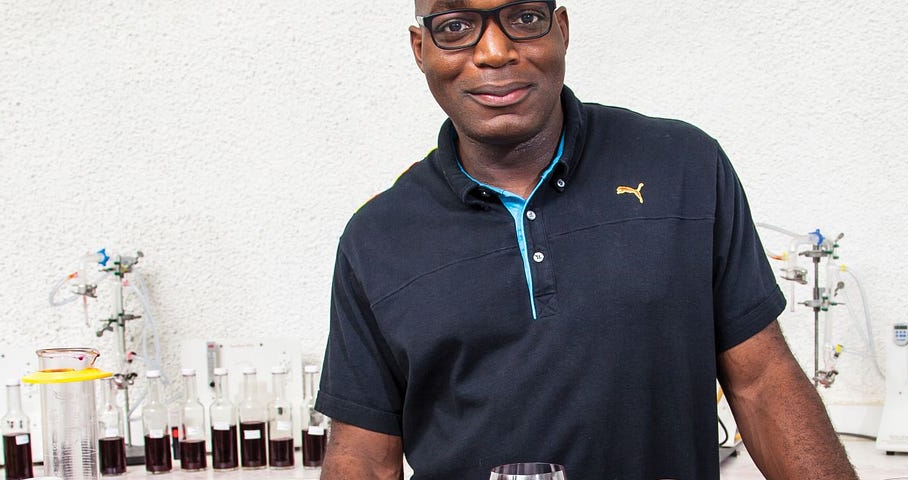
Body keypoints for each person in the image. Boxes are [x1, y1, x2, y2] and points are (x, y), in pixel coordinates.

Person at [315, 1, 858, 478]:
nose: (495, 52)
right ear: (419, 47)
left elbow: (763, 383)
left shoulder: (683, 166)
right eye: (456, 26)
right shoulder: (377, 238)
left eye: (524, 18)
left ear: (562, 28)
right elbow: (363, 458)